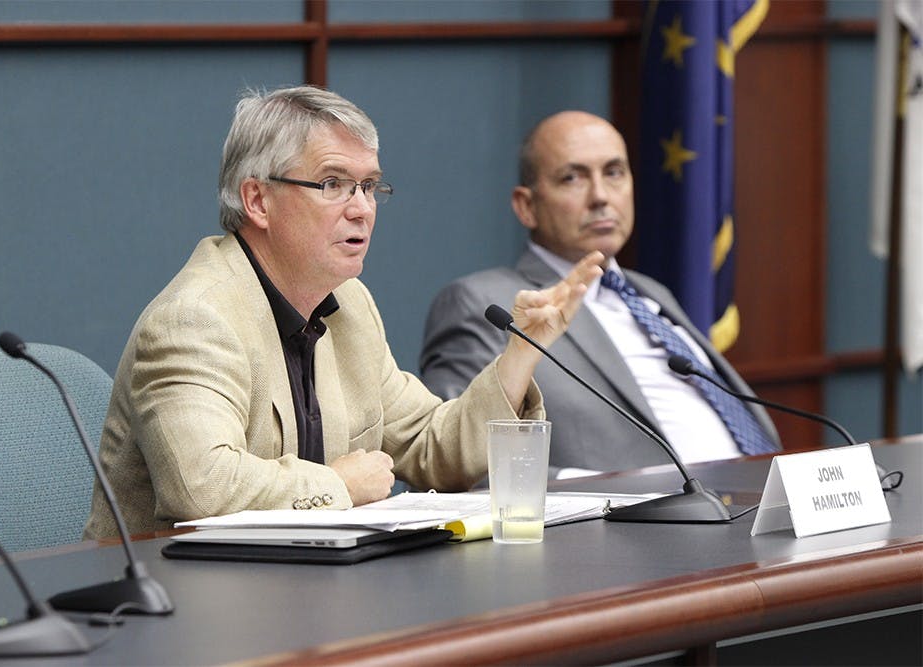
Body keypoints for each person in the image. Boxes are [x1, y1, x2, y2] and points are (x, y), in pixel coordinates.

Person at [84, 87, 603, 538]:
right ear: (258, 200)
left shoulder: (349, 305)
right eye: (333, 184)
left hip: (306, 592)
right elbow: (200, 485)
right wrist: (340, 485)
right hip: (176, 613)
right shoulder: (195, 319)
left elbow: (432, 448)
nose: (361, 208)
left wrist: (518, 353)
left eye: (369, 185)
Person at [420, 111, 780, 478]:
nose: (600, 196)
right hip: (639, 523)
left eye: (614, 172)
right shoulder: (484, 303)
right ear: (526, 206)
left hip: (757, 498)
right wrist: (610, 495)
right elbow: (459, 462)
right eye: (572, 178)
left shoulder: (650, 292)